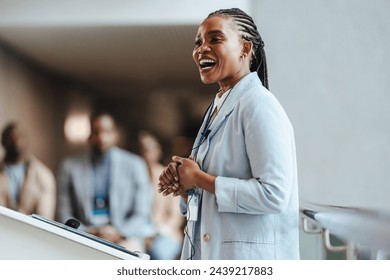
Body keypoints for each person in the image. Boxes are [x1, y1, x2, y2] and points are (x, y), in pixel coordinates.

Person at [158, 8, 300, 260]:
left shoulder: (259, 105)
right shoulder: (218, 107)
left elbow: (274, 195)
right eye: (198, 42)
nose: (202, 48)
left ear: (245, 49)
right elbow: (212, 190)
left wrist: (199, 178)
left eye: (215, 39)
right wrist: (184, 183)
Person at [56, 113, 154, 252]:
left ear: (115, 135)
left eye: (107, 132)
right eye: (96, 132)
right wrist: (87, 232)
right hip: (82, 234)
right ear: (89, 136)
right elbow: (64, 212)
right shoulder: (69, 167)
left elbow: (142, 213)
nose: (101, 137)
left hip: (124, 236)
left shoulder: (135, 165)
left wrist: (118, 233)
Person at [138, 131, 184, 259]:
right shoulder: (134, 178)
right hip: (139, 232)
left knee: (159, 253)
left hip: (165, 233)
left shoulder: (167, 177)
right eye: (141, 150)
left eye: (148, 149)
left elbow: (177, 215)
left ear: (158, 151)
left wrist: (160, 230)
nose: (145, 154)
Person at [0, 122, 56, 219]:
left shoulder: (44, 175)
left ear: (27, 140)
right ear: (3, 141)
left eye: (19, 136)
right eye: (10, 136)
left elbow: (45, 219)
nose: (15, 140)